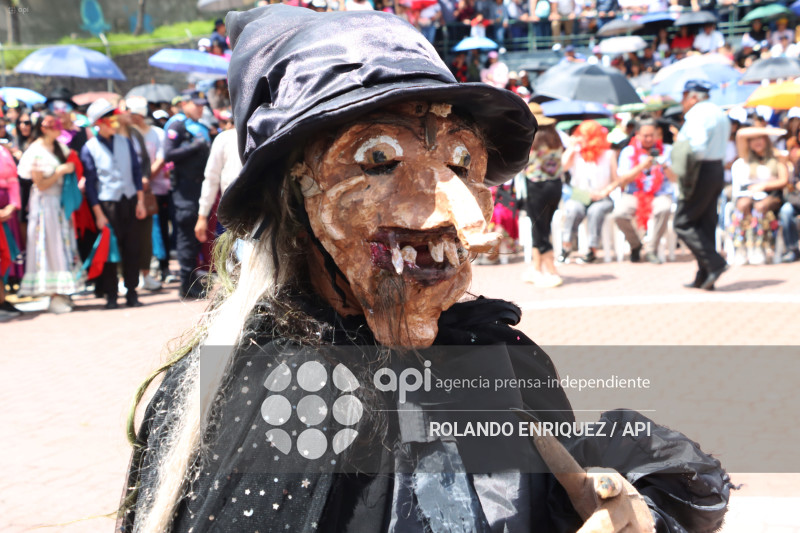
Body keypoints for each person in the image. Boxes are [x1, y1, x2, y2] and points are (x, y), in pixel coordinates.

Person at [119, 6, 731, 533]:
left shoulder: (491, 360)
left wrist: (617, 506)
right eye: (380, 159)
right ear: (294, 198)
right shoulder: (259, 395)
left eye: (464, 164)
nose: (465, 216)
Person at [80, 99, 147, 309]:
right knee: (110, 251)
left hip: (130, 200)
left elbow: (137, 173)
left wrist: (141, 201)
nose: (114, 121)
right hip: (107, 204)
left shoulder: (125, 142)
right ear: (99, 122)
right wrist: (98, 214)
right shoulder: (89, 148)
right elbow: (90, 185)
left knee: (132, 248)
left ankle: (132, 292)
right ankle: (111, 295)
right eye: (109, 118)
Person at [16, 113, 83, 313]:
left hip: (61, 205)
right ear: (45, 128)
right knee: (49, 246)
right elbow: (41, 184)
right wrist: (60, 172)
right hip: (45, 206)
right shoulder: (35, 152)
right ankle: (54, 294)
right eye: (55, 128)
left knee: (63, 245)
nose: (58, 131)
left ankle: (64, 292)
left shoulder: (59, 147)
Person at [672, 80, 730, 290]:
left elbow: (697, 148)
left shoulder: (698, 114)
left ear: (693, 97)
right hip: (715, 169)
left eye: (684, 97)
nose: (682, 102)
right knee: (705, 223)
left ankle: (715, 263)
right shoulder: (718, 112)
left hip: (700, 170)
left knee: (683, 222)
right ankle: (705, 275)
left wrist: (682, 165)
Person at [163, 90, 211, 300]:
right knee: (186, 237)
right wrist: (194, 147)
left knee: (195, 238)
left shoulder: (200, 126)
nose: (200, 108)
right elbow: (168, 154)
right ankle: (186, 284)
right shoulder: (177, 125)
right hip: (184, 191)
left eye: (202, 105)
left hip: (197, 189)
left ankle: (192, 282)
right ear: (184, 104)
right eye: (196, 105)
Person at [613, 116, 677, 264]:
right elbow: (623, 179)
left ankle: (651, 249)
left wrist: (664, 165)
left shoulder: (667, 151)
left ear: (657, 134)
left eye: (651, 135)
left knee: (664, 208)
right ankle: (635, 245)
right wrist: (641, 167)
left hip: (660, 193)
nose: (648, 139)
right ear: (637, 135)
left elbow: (675, 179)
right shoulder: (628, 152)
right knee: (619, 214)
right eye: (645, 136)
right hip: (634, 193)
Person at [727, 126, 789, 265]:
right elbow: (741, 133)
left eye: (760, 138)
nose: (757, 142)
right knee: (742, 205)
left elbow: (783, 180)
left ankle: (759, 246)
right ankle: (741, 246)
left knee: (760, 208)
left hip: (771, 195)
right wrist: (767, 130)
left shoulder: (777, 157)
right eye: (753, 140)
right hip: (750, 193)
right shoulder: (747, 157)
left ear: (766, 140)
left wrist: (764, 186)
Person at [560, 120, 618, 264]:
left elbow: (616, 180)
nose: (581, 138)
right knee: (573, 210)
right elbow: (562, 167)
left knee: (595, 211)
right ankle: (566, 246)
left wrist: (604, 192)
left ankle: (592, 250)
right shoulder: (577, 153)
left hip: (602, 195)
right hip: (580, 194)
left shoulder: (608, 154)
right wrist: (572, 147)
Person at [521, 104, 564, 287]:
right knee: (541, 227)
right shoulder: (556, 137)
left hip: (536, 187)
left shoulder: (531, 139)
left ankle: (552, 272)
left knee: (540, 231)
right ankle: (536, 268)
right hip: (555, 186)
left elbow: (521, 165)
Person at [128, 96, 167, 290]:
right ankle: (129, 276)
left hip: (153, 190)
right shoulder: (127, 135)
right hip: (132, 192)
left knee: (150, 232)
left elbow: (159, 158)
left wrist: (145, 178)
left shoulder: (157, 134)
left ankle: (152, 270)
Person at [194, 121, 241, 246]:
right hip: (231, 213)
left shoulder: (266, 133)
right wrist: (202, 216)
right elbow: (211, 178)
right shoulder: (225, 138)